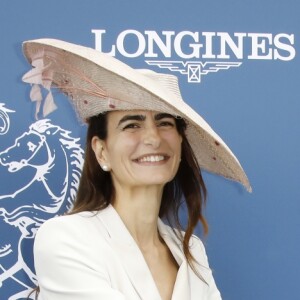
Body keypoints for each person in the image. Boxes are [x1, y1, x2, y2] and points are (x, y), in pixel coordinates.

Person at [22, 38, 251, 300]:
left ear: (179, 143)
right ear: (101, 150)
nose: (153, 138)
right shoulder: (65, 238)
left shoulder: (191, 250)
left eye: (165, 123)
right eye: (132, 125)